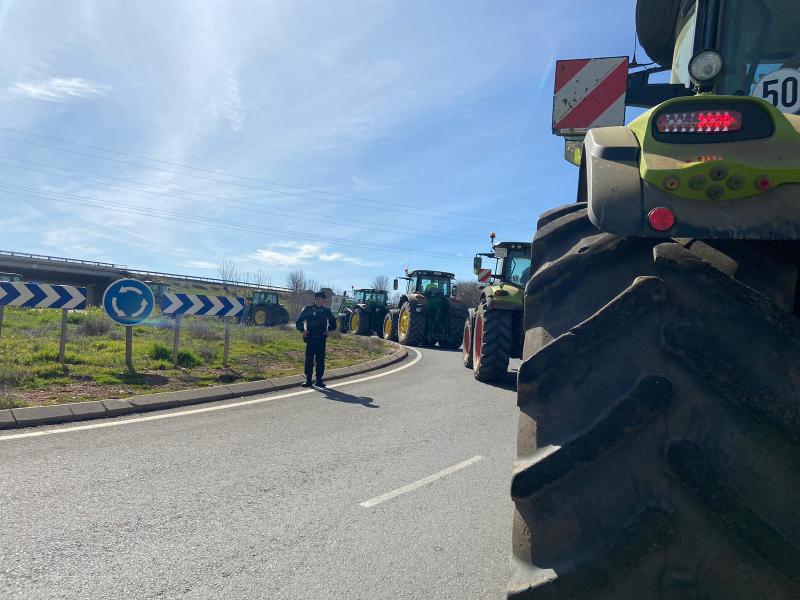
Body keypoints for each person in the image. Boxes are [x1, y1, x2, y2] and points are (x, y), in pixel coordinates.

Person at [295, 291, 336, 387]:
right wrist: (302, 331)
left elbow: (333, 322)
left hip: (321, 339)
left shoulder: (326, 311)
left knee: (320, 360)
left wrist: (328, 330)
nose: (324, 301)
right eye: (322, 299)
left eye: (324, 299)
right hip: (310, 338)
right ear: (316, 299)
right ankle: (308, 380)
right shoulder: (308, 309)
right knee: (309, 360)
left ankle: (319, 380)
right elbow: (299, 321)